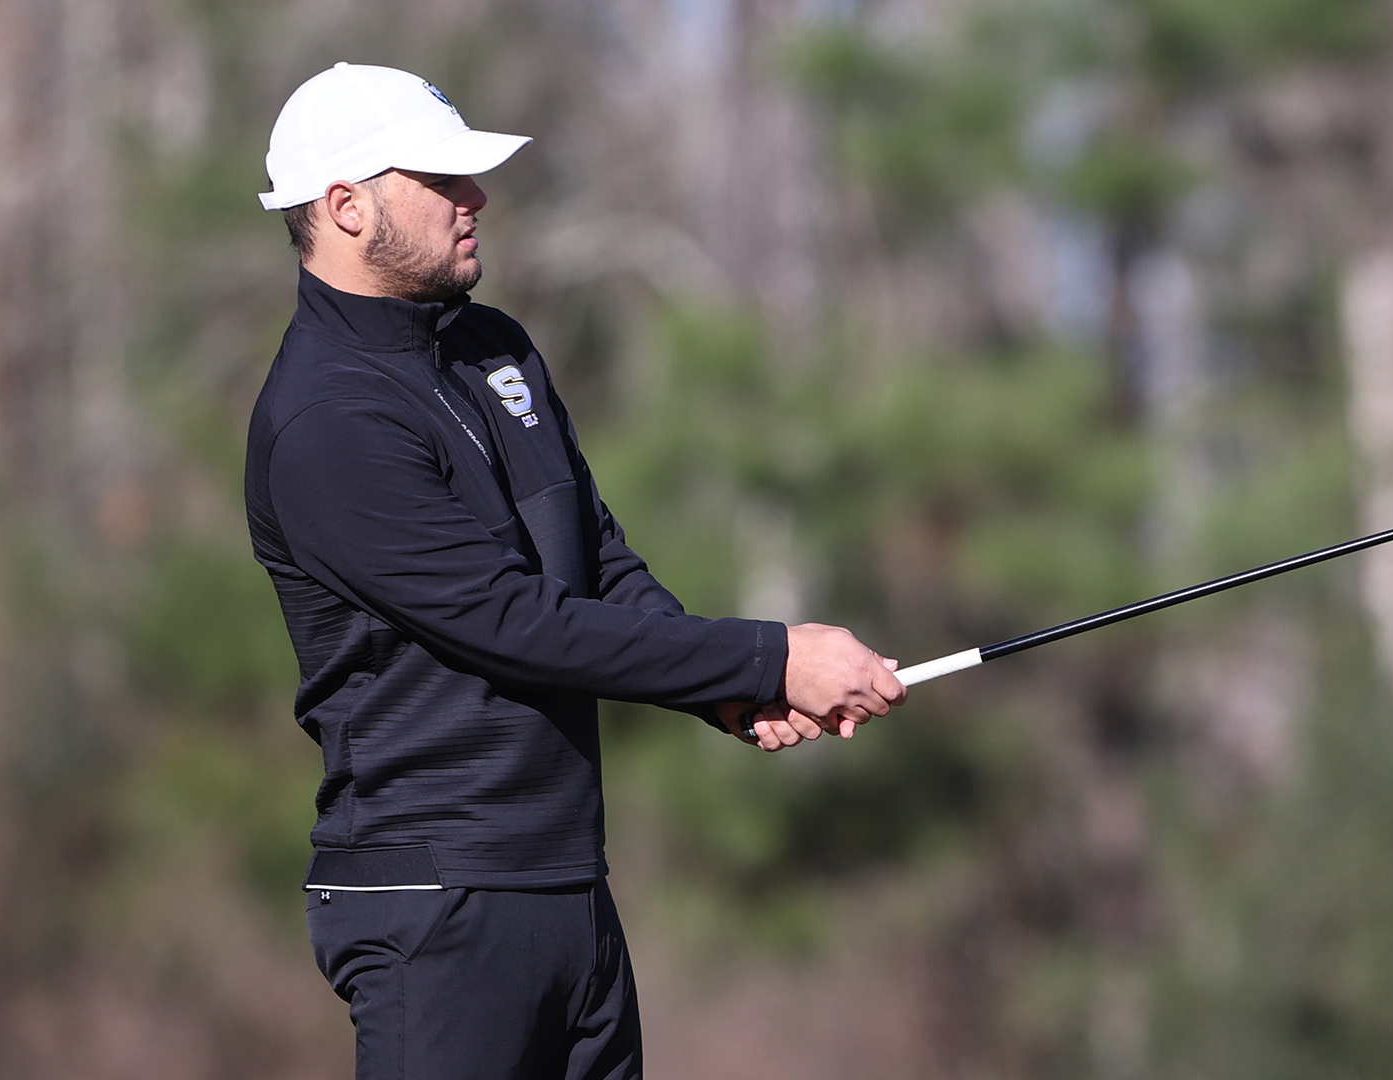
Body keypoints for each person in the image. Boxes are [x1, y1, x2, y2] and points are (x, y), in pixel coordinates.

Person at [243, 63, 906, 1080]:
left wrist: (728, 692)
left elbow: (593, 560)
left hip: (566, 888)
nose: (478, 199)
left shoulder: (493, 348)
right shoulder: (326, 422)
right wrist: (773, 656)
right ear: (345, 207)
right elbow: (515, 622)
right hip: (436, 909)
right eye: (443, 181)